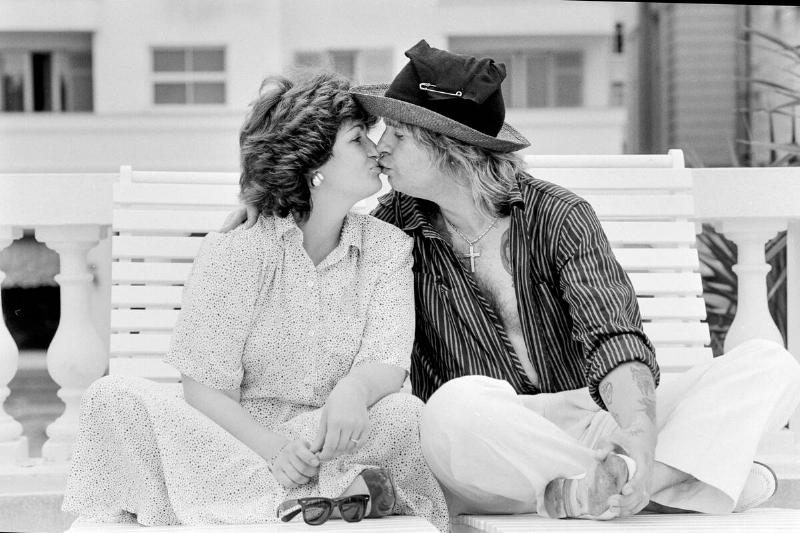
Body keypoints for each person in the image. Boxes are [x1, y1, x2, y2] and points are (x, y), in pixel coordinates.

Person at [225, 41, 800, 522]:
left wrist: (640, 431)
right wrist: (260, 204)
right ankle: (674, 479)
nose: (381, 147)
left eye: (399, 134)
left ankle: (626, 481)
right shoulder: (389, 232)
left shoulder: (559, 216)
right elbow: (310, 217)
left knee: (769, 364)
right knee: (452, 407)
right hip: (482, 443)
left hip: (588, 416)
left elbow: (615, 339)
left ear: (452, 148)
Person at [62, 71, 449, 531]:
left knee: (405, 414)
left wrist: (353, 391)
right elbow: (204, 387)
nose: (375, 150)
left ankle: (280, 501)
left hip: (333, 434)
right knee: (112, 397)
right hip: (238, 443)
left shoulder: (387, 246)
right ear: (313, 164)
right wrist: (273, 449)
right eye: (357, 138)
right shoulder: (240, 246)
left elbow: (387, 358)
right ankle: (327, 499)